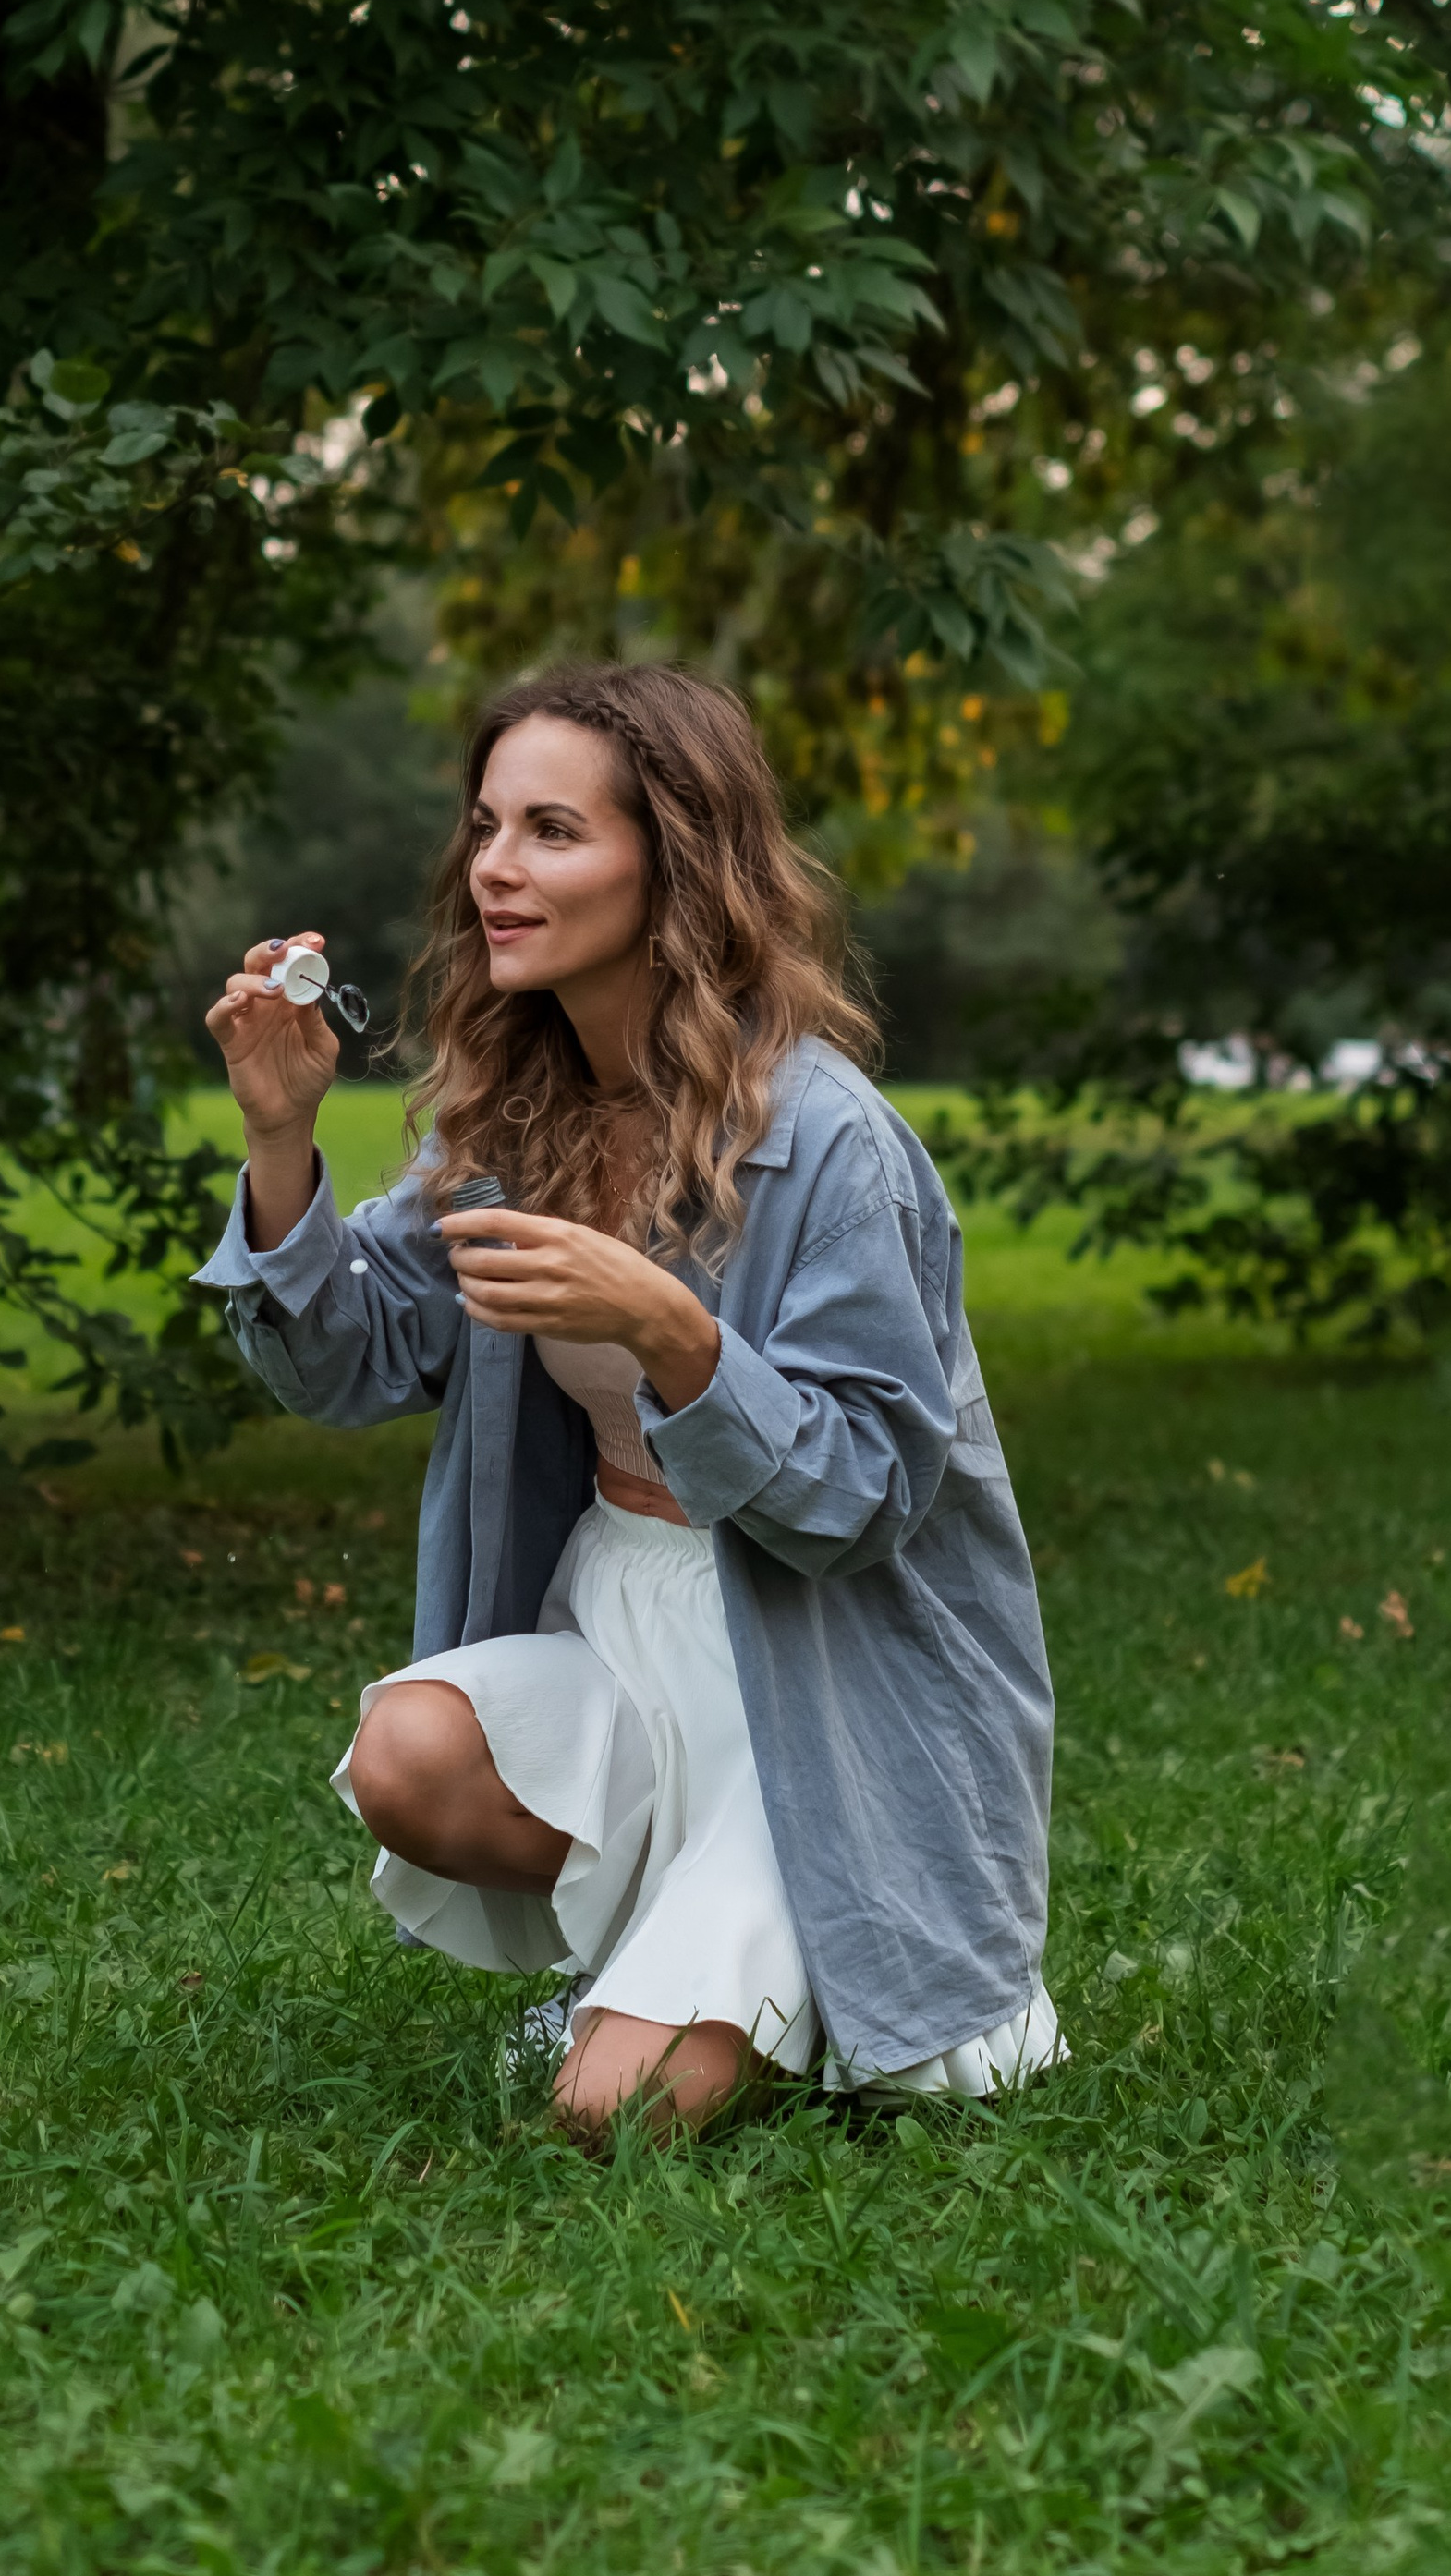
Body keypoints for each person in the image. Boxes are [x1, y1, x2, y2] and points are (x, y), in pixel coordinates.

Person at [196, 662, 1061, 2142]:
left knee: (611, 2118)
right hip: (622, 1611)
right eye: (486, 826)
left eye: (551, 831)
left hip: (821, 1675)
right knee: (406, 1752)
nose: (495, 867)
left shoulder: (831, 1142)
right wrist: (281, 1136)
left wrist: (668, 1330)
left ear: (677, 865)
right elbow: (345, 1360)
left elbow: (859, 1499)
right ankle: (667, 1946)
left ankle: (809, 1959)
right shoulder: (516, 1116)